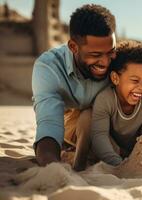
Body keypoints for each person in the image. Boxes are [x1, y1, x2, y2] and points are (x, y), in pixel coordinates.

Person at [32, 4, 117, 171]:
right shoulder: (49, 67)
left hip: (112, 129)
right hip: (70, 128)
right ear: (73, 47)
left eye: (110, 52)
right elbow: (49, 124)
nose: (106, 62)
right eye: (96, 55)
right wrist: (54, 169)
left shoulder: (120, 60)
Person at [90, 40, 142, 166]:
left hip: (133, 152)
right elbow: (99, 137)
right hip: (110, 150)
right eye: (135, 81)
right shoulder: (105, 99)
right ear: (115, 78)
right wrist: (118, 165)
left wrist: (141, 160)